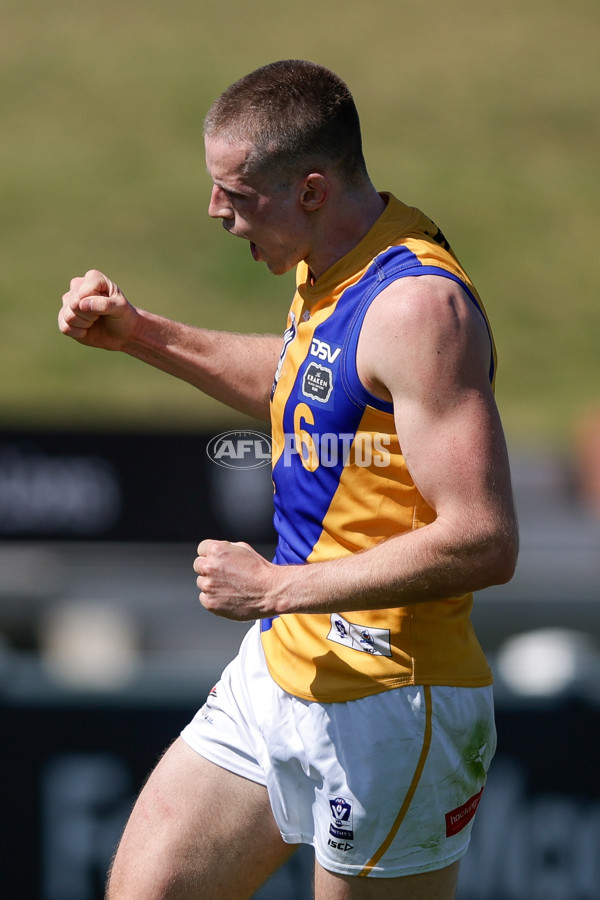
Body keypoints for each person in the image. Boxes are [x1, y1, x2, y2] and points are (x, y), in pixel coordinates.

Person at [58, 59, 518, 900]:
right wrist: (137, 335)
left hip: (393, 699)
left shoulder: (420, 310)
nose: (215, 214)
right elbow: (312, 378)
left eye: (235, 194)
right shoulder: (329, 257)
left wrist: (276, 587)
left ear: (310, 188)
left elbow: (485, 539)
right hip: (282, 668)